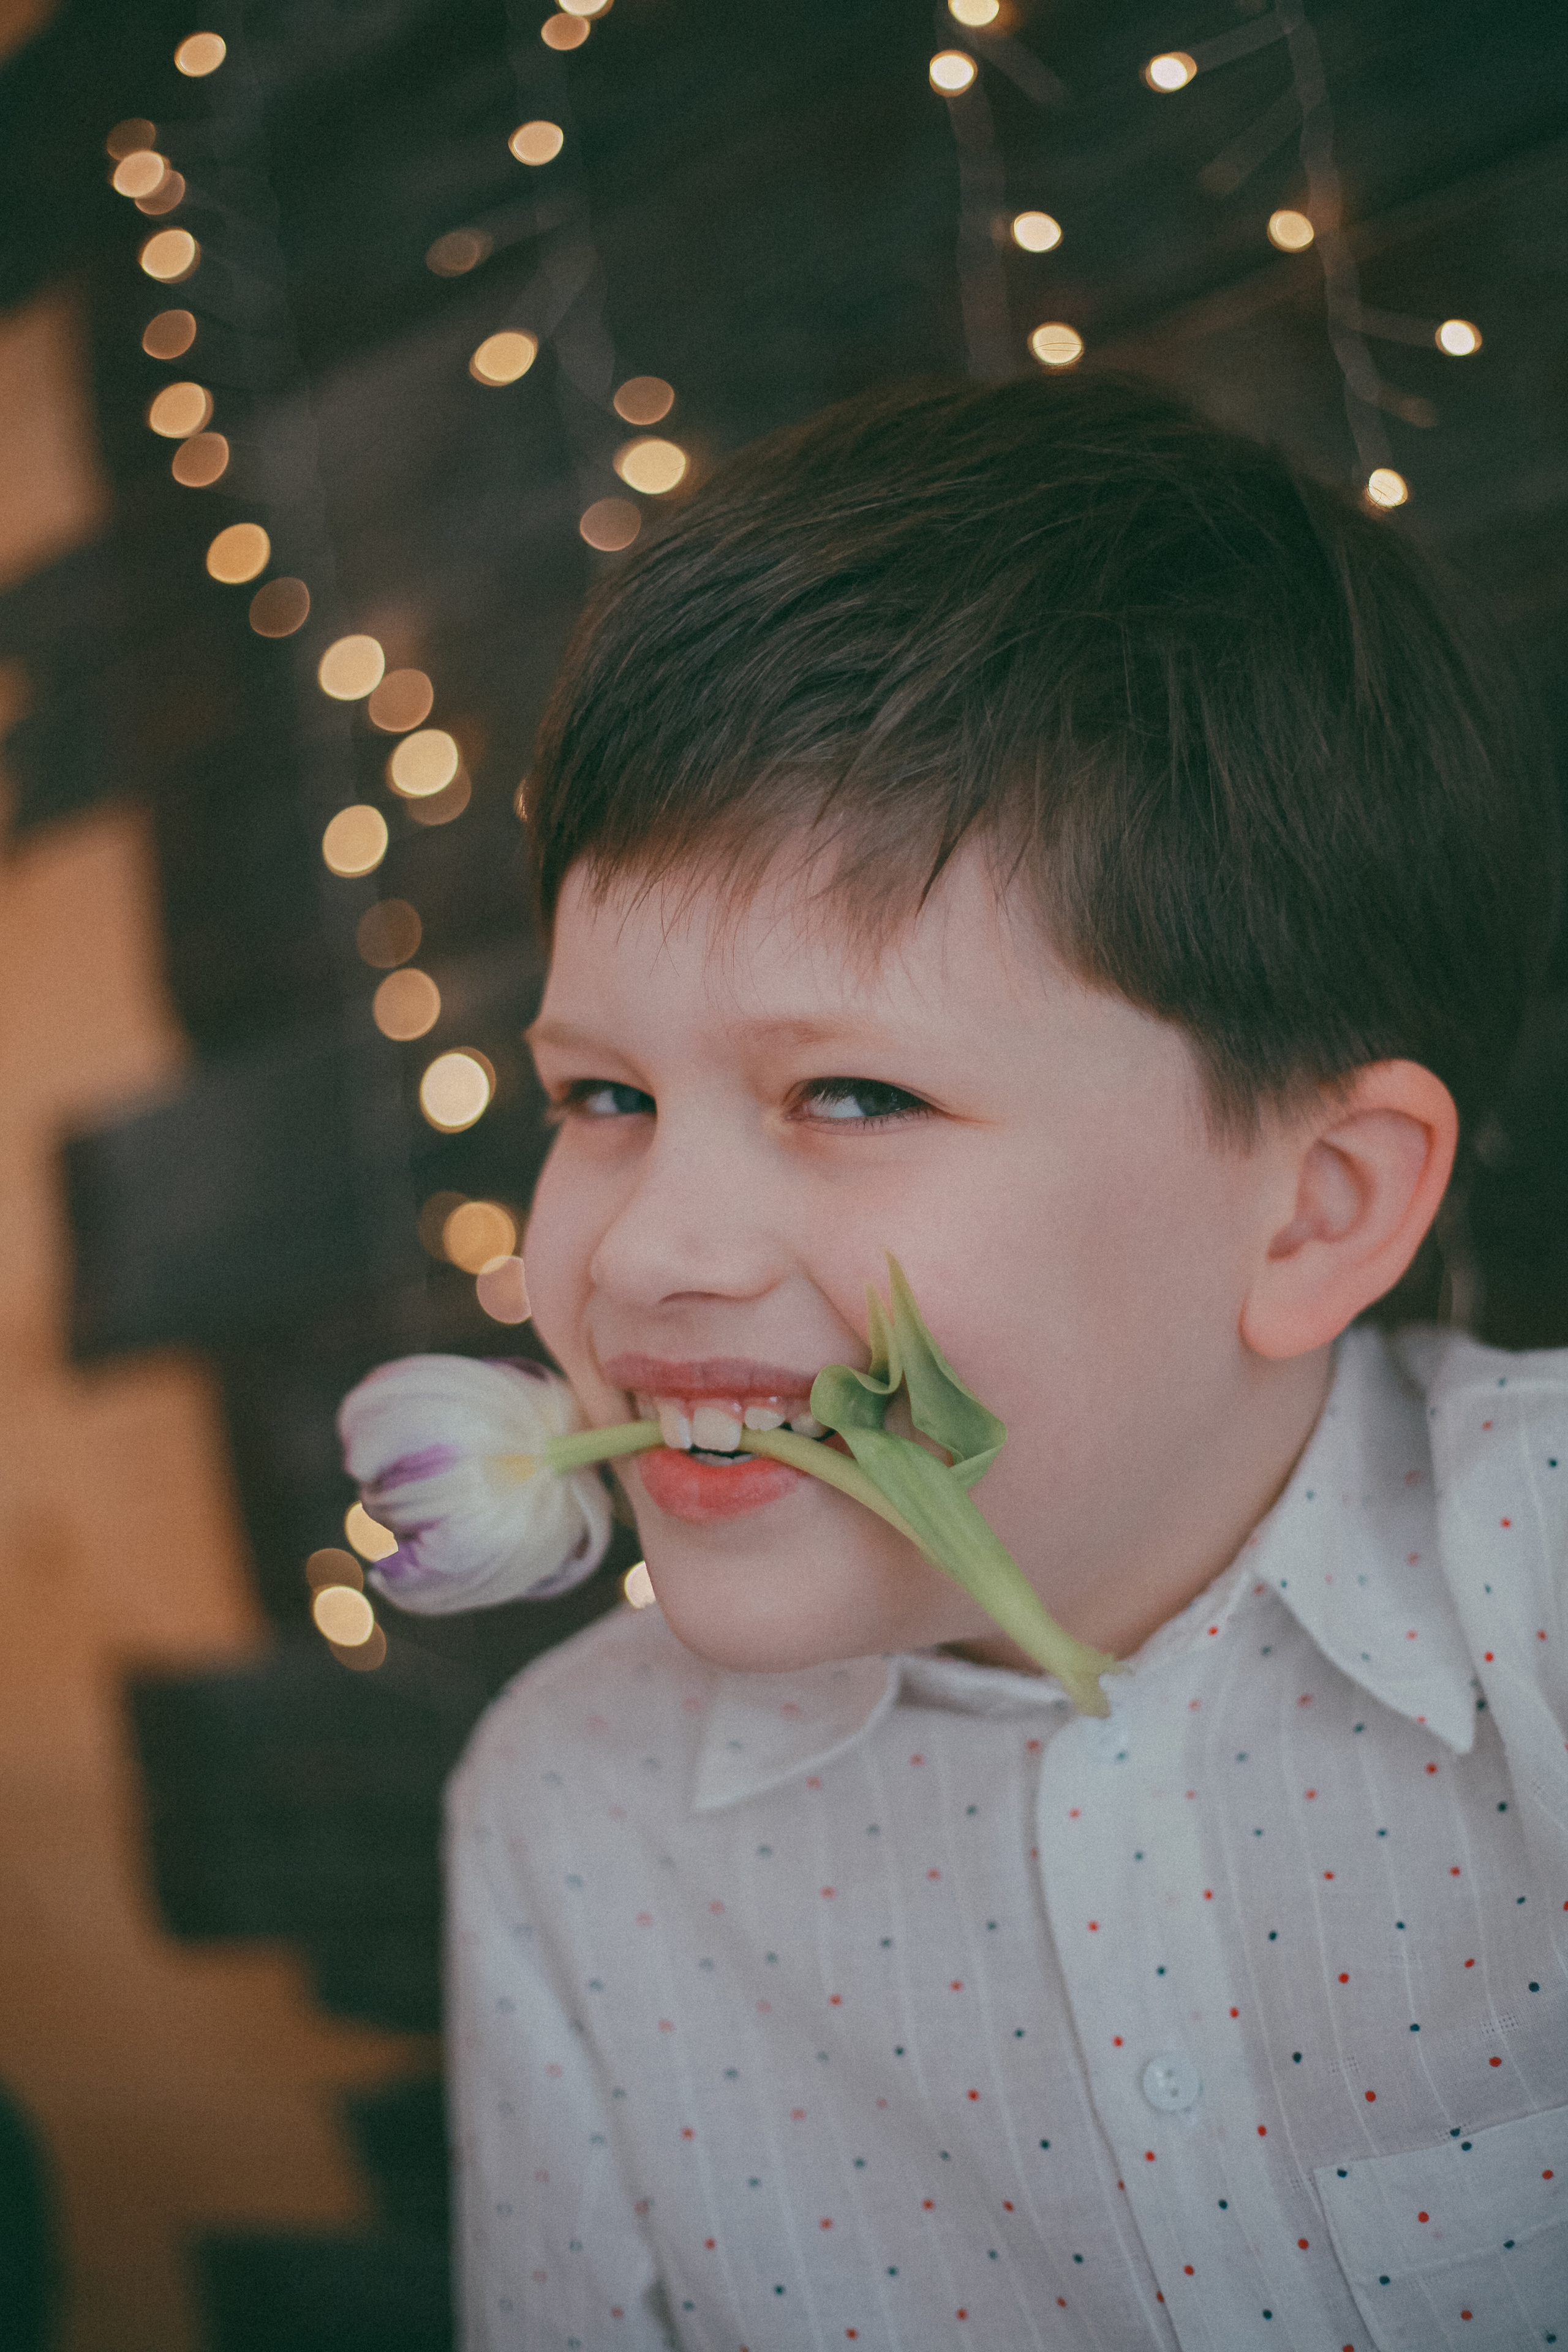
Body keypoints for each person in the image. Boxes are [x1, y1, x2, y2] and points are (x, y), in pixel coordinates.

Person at [445, 374, 1568, 2349]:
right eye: (601, 1094)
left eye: (856, 1092)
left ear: (1312, 1209)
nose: (646, 1248)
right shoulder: (570, 1811)